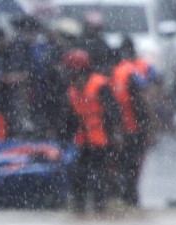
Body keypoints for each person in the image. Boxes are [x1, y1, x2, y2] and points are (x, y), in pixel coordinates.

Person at [62, 49, 121, 214]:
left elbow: (114, 112)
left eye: (69, 69)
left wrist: (116, 136)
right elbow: (70, 119)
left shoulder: (100, 85)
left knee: (99, 178)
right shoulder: (72, 90)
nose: (67, 73)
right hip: (84, 141)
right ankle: (80, 211)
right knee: (78, 177)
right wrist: (63, 140)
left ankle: (101, 210)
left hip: (102, 140)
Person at [111, 37, 152, 207]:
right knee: (132, 166)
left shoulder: (115, 72)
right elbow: (141, 100)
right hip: (133, 127)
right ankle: (130, 198)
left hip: (120, 128)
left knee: (122, 165)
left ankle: (123, 197)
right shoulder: (133, 72)